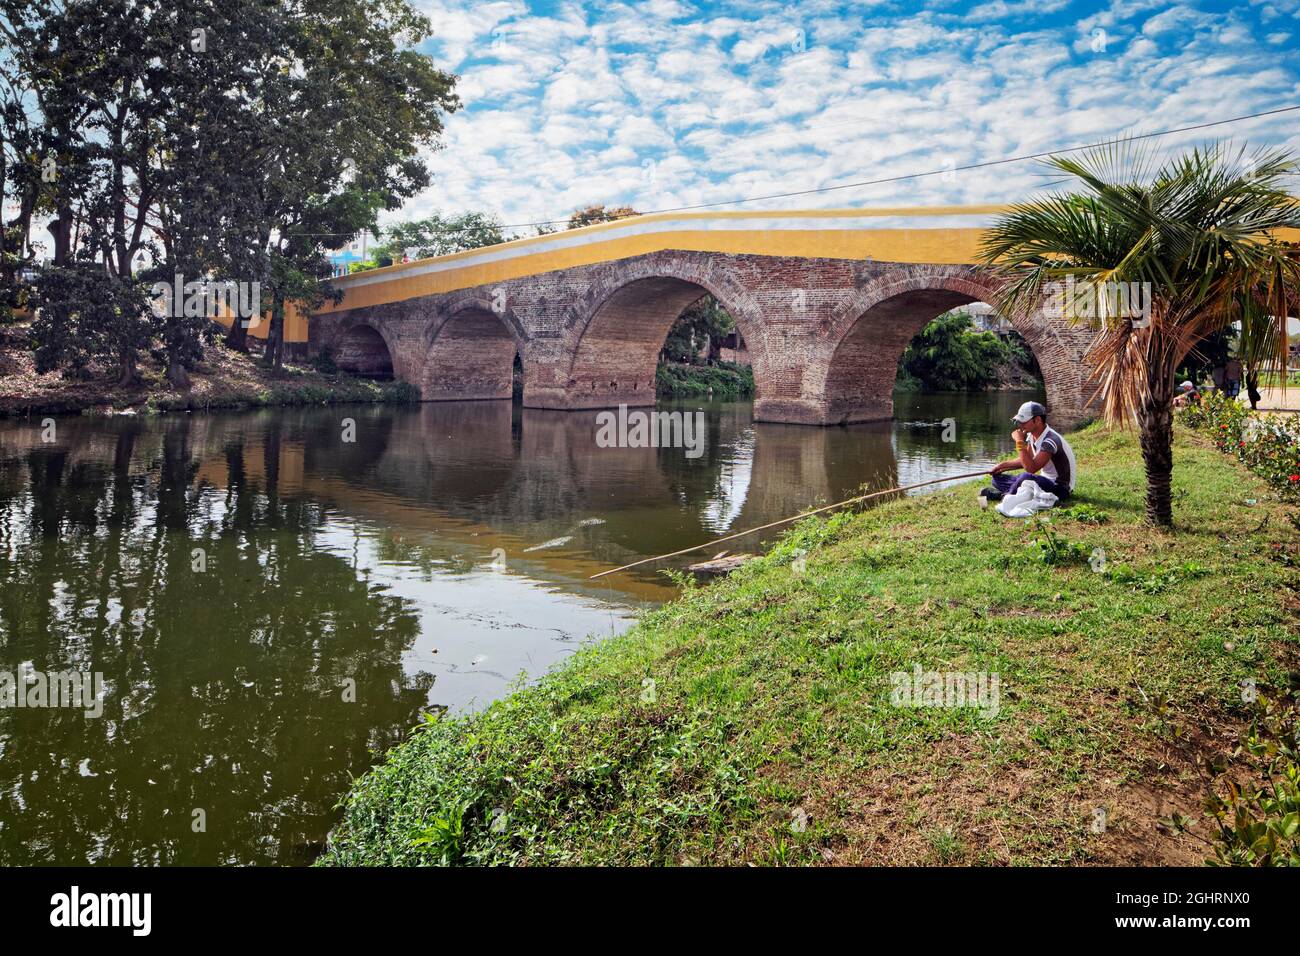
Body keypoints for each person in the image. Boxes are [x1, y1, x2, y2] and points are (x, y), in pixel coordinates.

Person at [979, 401, 1077, 505]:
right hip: (1043, 482)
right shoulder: (1032, 435)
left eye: (1023, 421)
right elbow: (1027, 460)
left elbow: (1031, 468)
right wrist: (1001, 466)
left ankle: (1005, 496)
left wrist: (1019, 442)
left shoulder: (1050, 441)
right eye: (1019, 421)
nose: (1020, 425)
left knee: (1025, 477)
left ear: (1038, 420)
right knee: (997, 479)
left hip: (1059, 488)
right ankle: (1015, 494)